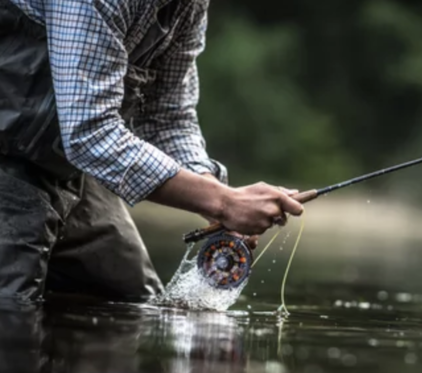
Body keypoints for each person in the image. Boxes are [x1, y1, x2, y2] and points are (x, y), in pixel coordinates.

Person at [0, 0, 304, 303]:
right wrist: (223, 203)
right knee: (12, 312)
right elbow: (89, 135)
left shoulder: (190, 5)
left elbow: (167, 117)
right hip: (11, 156)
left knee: (135, 300)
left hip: (67, 164)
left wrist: (217, 197)